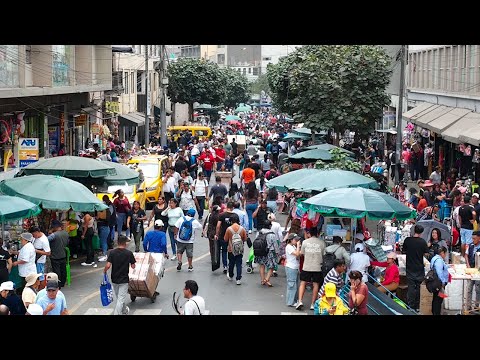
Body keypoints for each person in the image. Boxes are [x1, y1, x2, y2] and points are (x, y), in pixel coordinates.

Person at [103, 235, 136, 315]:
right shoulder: (129, 253)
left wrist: (104, 272)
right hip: (124, 279)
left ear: (117, 242)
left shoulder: (112, 252)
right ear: (125, 243)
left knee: (119, 297)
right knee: (120, 299)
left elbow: (108, 265)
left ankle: (124, 310)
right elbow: (133, 266)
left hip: (114, 279)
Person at [296, 226, 326, 310]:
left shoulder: (305, 242)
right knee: (315, 284)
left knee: (303, 283)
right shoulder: (322, 243)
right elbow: (324, 254)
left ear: (309, 233)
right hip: (317, 267)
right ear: (318, 234)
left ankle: (300, 301)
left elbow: (302, 253)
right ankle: (313, 304)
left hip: (306, 266)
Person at [402, 224, 430, 312]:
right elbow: (426, 253)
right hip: (419, 267)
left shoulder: (407, 240)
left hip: (410, 267)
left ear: (414, 231)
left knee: (411, 287)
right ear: (421, 232)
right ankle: (417, 305)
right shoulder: (422, 242)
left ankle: (410, 305)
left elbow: (404, 250)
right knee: (418, 287)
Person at [254, 220, 280, 288]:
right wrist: (277, 253)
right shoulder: (272, 234)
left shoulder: (259, 232)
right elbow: (275, 245)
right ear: (270, 226)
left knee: (262, 265)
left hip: (260, 251)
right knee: (271, 266)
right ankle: (267, 279)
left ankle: (262, 280)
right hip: (269, 252)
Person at [224, 213, 247, 285]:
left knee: (231, 263)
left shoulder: (229, 229)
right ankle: (238, 279)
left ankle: (231, 275)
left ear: (231, 221)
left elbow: (225, 239)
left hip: (231, 249)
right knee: (239, 264)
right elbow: (245, 238)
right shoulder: (242, 229)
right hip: (240, 249)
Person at [47, 220, 70, 288]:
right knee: (63, 269)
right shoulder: (66, 233)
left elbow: (46, 240)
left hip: (55, 255)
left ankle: (58, 284)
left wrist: (49, 233)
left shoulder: (54, 235)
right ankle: (63, 282)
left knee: (57, 271)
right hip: (63, 254)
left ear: (54, 227)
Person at [215, 202, 237, 274]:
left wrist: (217, 234)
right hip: (233, 236)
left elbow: (218, 226)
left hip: (223, 235)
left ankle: (224, 265)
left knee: (224, 251)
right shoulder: (235, 215)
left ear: (227, 207)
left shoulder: (221, 215)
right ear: (233, 207)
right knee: (232, 250)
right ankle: (231, 264)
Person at [430, 246, 449, 315]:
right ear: (442, 253)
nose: (445, 255)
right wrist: (443, 282)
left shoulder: (435, 258)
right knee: (438, 300)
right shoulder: (439, 260)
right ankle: (436, 313)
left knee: (436, 298)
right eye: (445, 253)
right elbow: (439, 272)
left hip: (436, 283)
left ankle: (435, 312)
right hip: (439, 283)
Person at [285, 233, 301, 307]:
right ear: (291, 240)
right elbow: (297, 254)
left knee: (295, 285)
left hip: (295, 267)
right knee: (292, 285)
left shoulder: (293, 246)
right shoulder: (289, 247)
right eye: (295, 240)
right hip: (291, 268)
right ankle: (290, 302)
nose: (297, 241)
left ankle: (294, 300)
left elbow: (299, 254)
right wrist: (298, 246)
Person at [465, 230, 480, 311]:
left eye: (474, 239)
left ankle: (476, 307)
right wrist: (467, 265)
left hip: (478, 271)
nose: (473, 240)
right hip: (471, 269)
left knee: (478, 290)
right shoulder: (470, 245)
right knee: (469, 289)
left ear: (479, 239)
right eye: (472, 238)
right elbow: (466, 255)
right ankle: (468, 306)